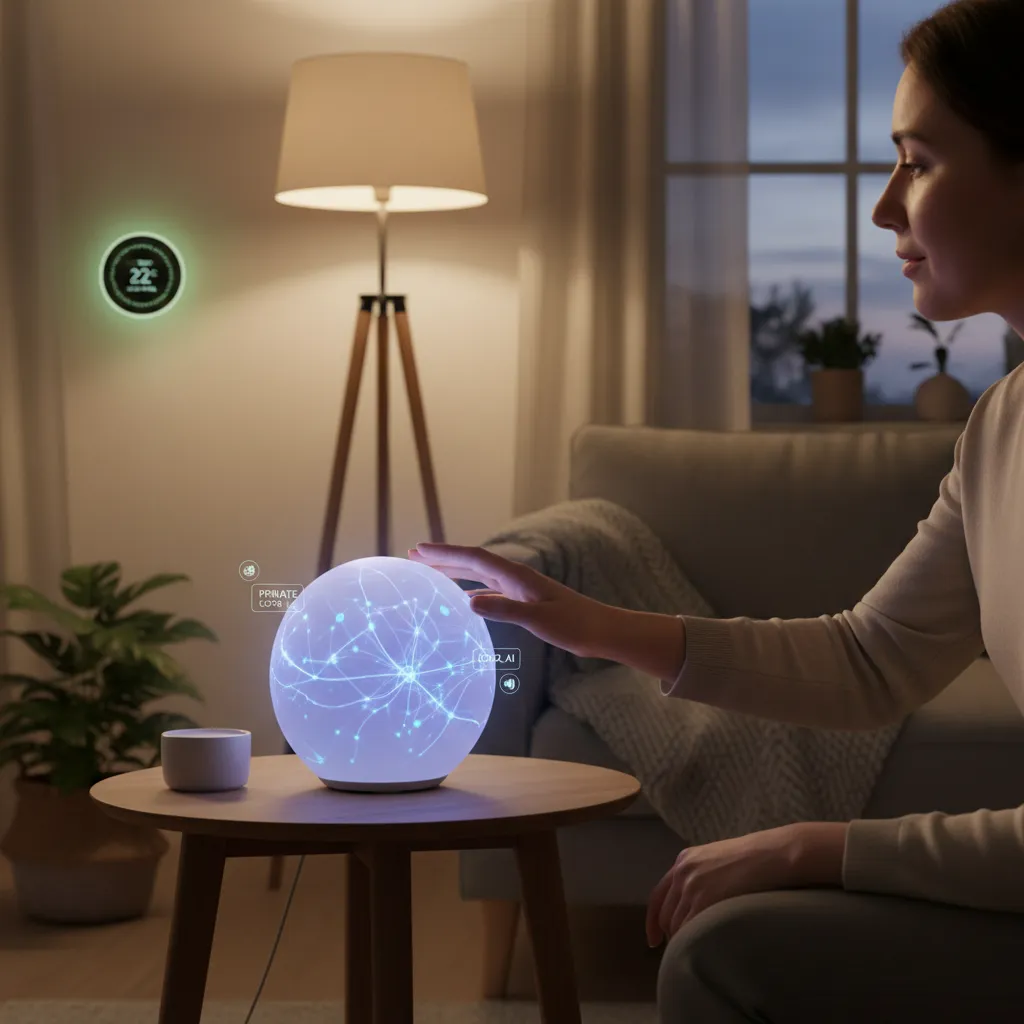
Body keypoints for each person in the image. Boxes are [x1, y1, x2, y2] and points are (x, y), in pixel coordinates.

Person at [411, 0, 1024, 1019]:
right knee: (721, 945)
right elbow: (873, 659)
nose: (882, 208)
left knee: (726, 961)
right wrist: (586, 621)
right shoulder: (1002, 422)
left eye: (918, 160)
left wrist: (817, 846)